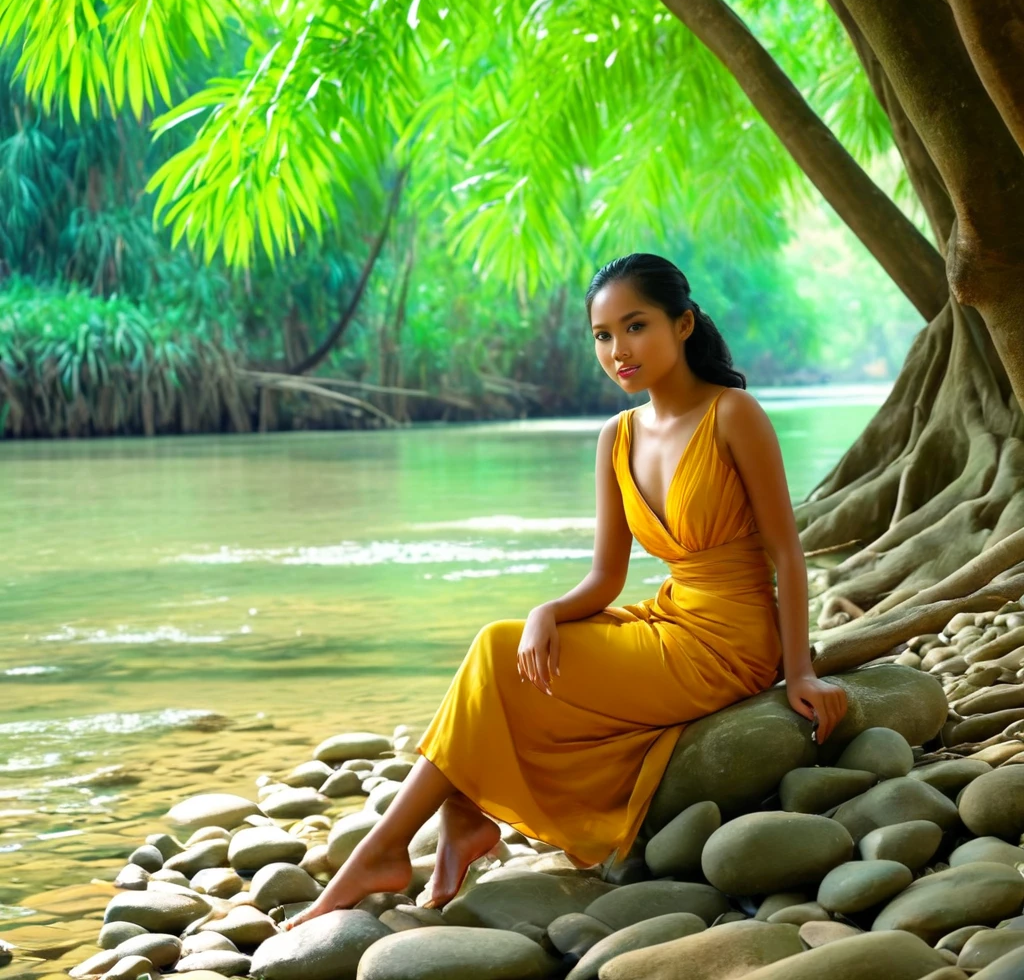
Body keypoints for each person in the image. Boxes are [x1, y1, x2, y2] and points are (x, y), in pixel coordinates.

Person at [283, 252, 848, 930]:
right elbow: (606, 577)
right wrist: (546, 611)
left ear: (684, 324)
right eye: (603, 336)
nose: (619, 351)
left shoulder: (734, 414)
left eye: (635, 327)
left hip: (729, 642)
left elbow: (786, 552)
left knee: (496, 661)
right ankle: (455, 822)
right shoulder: (616, 436)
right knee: (505, 645)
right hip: (670, 618)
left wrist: (800, 671)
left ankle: (390, 847)